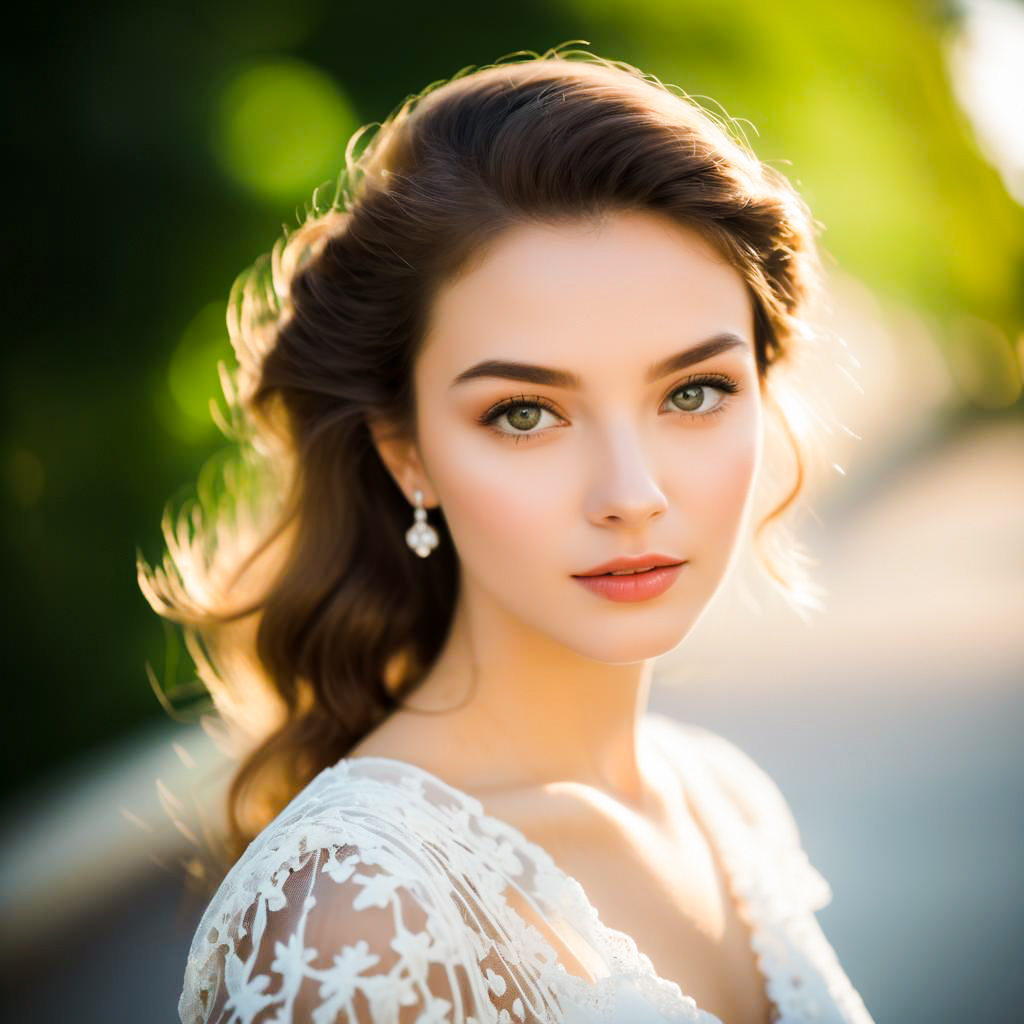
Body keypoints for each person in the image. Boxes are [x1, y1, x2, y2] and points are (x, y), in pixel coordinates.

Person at [139, 42, 875, 1024]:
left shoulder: (720, 799)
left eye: (693, 392)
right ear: (405, 452)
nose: (631, 492)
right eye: (525, 412)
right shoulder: (355, 915)